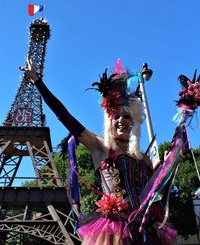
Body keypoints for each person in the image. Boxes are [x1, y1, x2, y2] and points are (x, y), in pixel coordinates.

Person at [20, 58, 177, 245]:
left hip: (146, 230)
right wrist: (38, 82)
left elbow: (156, 194)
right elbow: (64, 116)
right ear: (109, 121)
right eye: (116, 116)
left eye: (126, 116)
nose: (121, 121)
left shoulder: (143, 157)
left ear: (133, 120)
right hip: (114, 233)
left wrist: (168, 165)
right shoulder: (100, 146)